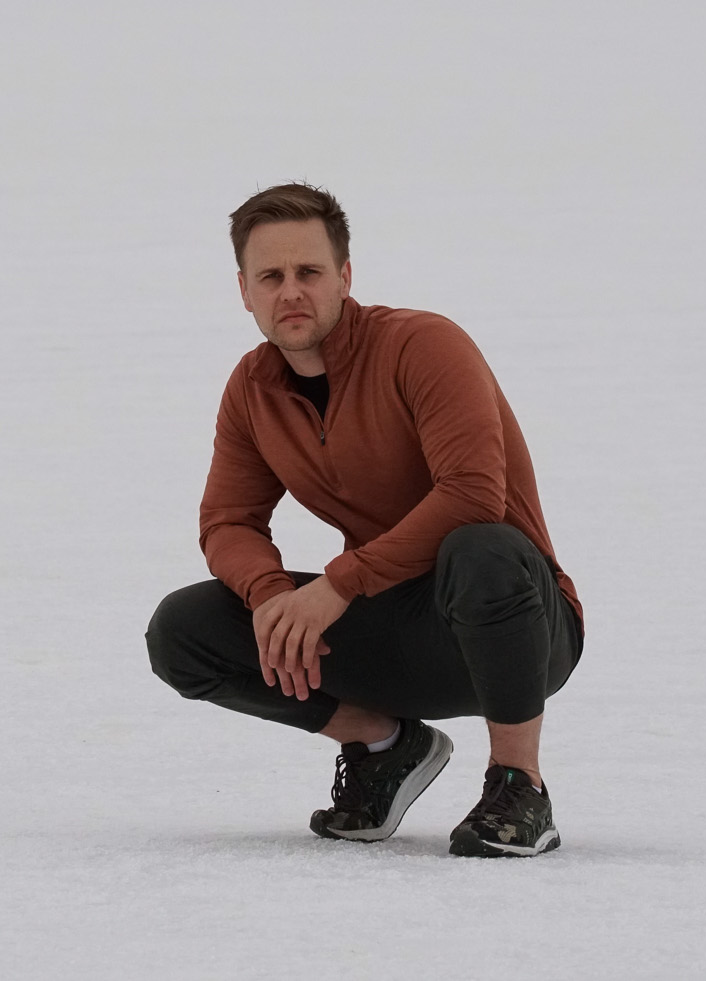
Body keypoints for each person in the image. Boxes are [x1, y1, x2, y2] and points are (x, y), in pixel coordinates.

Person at [145, 183, 583, 857]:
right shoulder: (252, 390)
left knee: (483, 546)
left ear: (344, 276)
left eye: (309, 272)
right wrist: (272, 596)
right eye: (271, 276)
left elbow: (472, 492)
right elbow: (227, 521)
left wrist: (338, 585)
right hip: (397, 628)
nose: (291, 291)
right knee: (186, 629)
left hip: (519, 624)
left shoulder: (423, 345)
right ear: (244, 290)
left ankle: (519, 783)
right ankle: (384, 743)